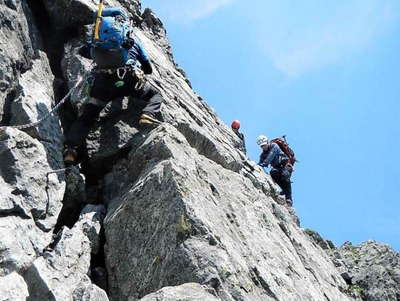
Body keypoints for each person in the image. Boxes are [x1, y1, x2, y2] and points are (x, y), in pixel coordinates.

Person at [64, 7, 163, 164]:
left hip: (103, 85)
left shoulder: (98, 43)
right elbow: (148, 69)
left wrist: (92, 41)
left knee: (88, 116)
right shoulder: (132, 42)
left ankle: (71, 149)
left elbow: (83, 51)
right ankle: (148, 114)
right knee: (155, 95)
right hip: (129, 81)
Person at [257, 135, 293, 205]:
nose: (263, 147)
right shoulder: (263, 155)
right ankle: (284, 190)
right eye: (261, 146)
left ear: (267, 142)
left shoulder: (274, 145)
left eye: (264, 145)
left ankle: (289, 198)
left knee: (285, 176)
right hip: (277, 167)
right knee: (273, 173)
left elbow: (271, 155)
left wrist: (264, 163)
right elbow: (259, 163)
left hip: (286, 164)